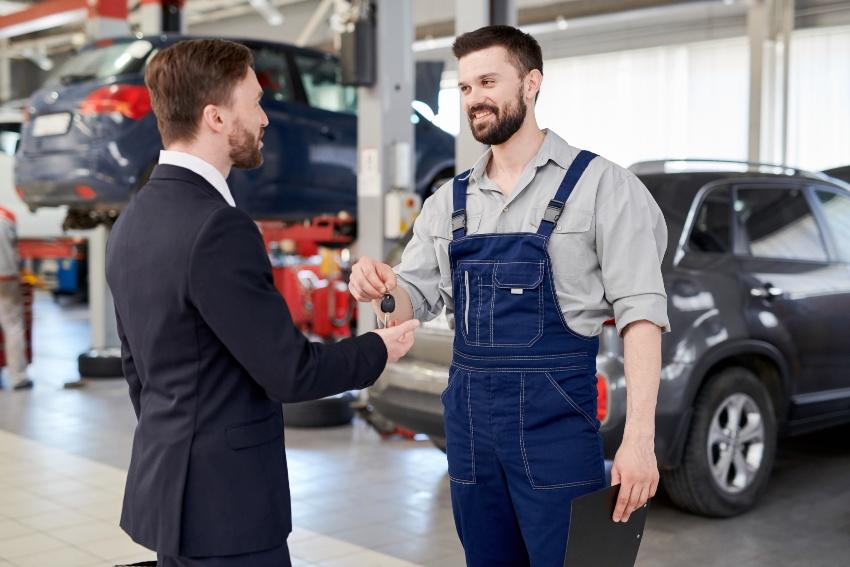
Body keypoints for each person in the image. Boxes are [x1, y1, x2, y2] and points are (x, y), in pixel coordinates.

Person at [349, 25, 669, 566]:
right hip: (472, 431)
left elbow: (642, 317)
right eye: (466, 87)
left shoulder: (602, 187)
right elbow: (412, 298)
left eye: (488, 81)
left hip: (557, 428)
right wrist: (380, 289)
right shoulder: (447, 201)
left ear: (531, 83)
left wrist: (639, 440)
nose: (475, 98)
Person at [105, 39, 419, 567]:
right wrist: (378, 349)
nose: (266, 119)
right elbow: (290, 372)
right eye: (255, 102)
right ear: (217, 117)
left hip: (172, 500)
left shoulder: (132, 221)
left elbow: (138, 370)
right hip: (229, 511)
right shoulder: (218, 227)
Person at [0, 206, 31, 391]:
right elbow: (14, 248)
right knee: (12, 327)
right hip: (7, 278)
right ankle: (18, 377)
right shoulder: (8, 215)